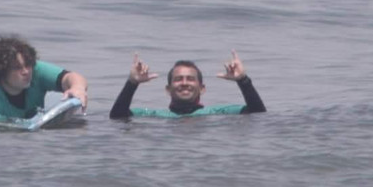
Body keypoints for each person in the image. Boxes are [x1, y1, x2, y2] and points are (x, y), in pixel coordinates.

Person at [0, 35, 89, 123]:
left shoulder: (35, 70)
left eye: (27, 64)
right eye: (17, 68)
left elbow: (71, 77)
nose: (25, 71)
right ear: (1, 72)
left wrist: (77, 87)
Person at [109, 51, 266, 119]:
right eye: (178, 79)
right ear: (168, 90)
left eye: (190, 79)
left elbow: (258, 113)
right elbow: (117, 117)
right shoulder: (154, 115)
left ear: (202, 88)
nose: (184, 83)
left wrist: (243, 80)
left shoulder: (216, 113)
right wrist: (132, 83)